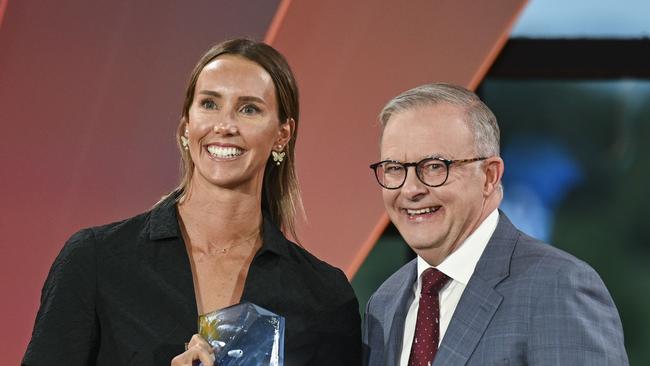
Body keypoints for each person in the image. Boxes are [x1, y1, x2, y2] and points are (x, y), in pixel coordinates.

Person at [23, 38, 361, 366]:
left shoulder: (324, 295)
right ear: (187, 125)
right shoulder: (96, 259)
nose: (224, 125)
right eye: (210, 104)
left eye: (249, 109)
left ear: (282, 135)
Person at [362, 83, 628, 365]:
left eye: (434, 167)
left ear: (489, 176)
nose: (410, 189)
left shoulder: (559, 287)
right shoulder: (384, 303)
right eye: (394, 169)